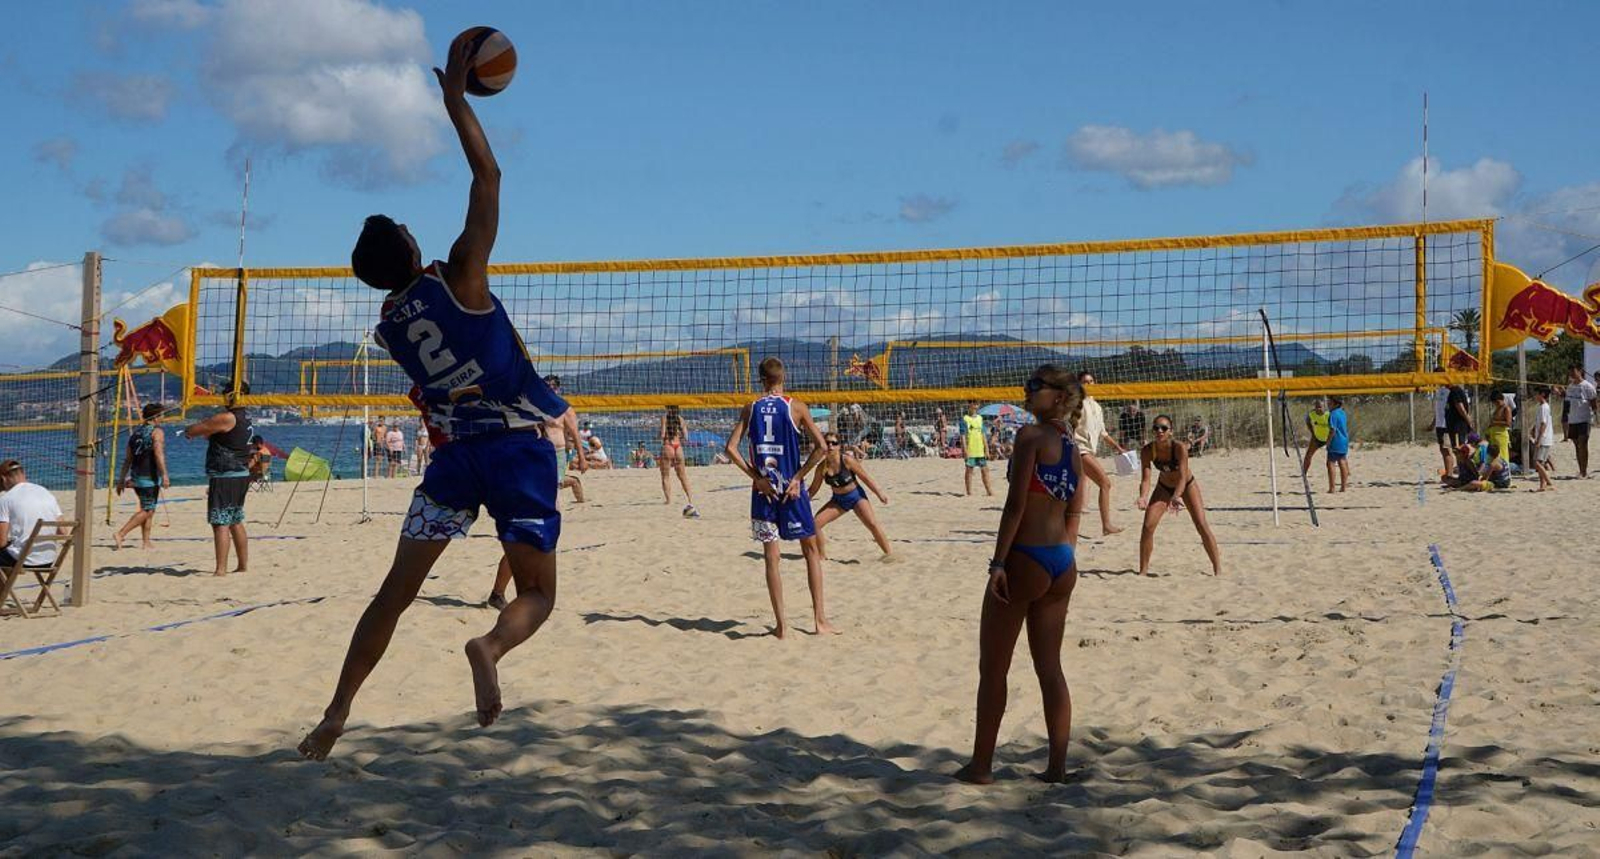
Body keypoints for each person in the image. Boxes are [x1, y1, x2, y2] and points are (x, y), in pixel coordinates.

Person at [300, 35, 574, 761]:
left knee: (393, 592)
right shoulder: (461, 277)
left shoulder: (389, 324)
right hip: (515, 446)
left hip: (452, 462)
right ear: (411, 244)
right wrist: (456, 104)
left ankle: (336, 710)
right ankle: (488, 647)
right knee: (538, 595)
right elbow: (490, 176)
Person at [955, 366, 1086, 785]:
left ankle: (981, 767)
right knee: (1050, 668)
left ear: (1060, 397)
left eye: (1036, 388)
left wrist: (998, 563)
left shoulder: (1030, 437)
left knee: (993, 668)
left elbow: (1014, 507)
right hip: (1062, 561)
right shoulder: (1071, 443)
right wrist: (1067, 546)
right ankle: (1057, 768)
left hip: (1026, 557)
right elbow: (1074, 506)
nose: (1027, 393)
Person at [725, 357, 834, 639]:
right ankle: (820, 622)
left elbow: (730, 449)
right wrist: (798, 477)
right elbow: (822, 448)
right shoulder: (796, 406)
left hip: (764, 492)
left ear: (760, 379)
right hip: (791, 489)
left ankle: (782, 627)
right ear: (783, 377)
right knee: (811, 552)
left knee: (771, 559)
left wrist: (756, 478)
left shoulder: (751, 407)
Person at [489, 374, 585, 611]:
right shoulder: (532, 407)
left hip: (554, 459)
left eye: (553, 386)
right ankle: (506, 592)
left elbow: (573, 433)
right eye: (546, 385)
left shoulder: (562, 408)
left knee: (539, 529)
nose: (549, 389)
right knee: (531, 530)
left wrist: (582, 457)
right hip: (535, 460)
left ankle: (513, 592)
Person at [182, 382, 254, 576]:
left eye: (225, 393)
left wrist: (190, 430)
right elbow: (212, 431)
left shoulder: (227, 417)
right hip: (241, 474)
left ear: (233, 395)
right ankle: (242, 566)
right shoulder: (246, 416)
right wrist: (206, 431)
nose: (223, 396)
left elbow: (199, 429)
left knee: (220, 522)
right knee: (235, 520)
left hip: (226, 475)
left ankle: (220, 570)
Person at [1136, 414, 1222, 577]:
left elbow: (1182, 477)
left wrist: (1176, 496)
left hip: (1187, 485)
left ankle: (1217, 568)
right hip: (1164, 487)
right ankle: (1143, 571)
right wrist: (1143, 496)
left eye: (1163, 428)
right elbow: (1146, 479)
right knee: (1147, 526)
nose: (1159, 431)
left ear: (1171, 431)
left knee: (1201, 524)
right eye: (1156, 428)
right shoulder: (1148, 450)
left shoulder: (1179, 447)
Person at [809, 431, 892, 558]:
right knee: (815, 524)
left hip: (856, 497)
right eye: (827, 443)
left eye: (834, 443)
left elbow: (866, 478)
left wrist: (879, 494)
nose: (830, 446)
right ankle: (821, 556)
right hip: (838, 501)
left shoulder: (847, 460)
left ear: (839, 446)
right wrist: (802, 501)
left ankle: (889, 554)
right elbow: (814, 488)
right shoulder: (821, 467)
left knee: (872, 524)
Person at [1070, 370, 1124, 539]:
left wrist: (1118, 448)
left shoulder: (1097, 406)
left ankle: (1064, 525)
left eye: (1091, 381)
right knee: (1105, 483)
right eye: (1085, 382)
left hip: (1088, 450)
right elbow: (1068, 425)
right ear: (1079, 385)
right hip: (1078, 448)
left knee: (1075, 489)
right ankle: (1106, 525)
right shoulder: (1077, 403)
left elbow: (1103, 432)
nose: (1089, 384)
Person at [114, 402, 170, 550]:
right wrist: (164, 474)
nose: (163, 418)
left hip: (136, 477)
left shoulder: (135, 434)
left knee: (149, 509)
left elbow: (127, 460)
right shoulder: (157, 432)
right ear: (156, 416)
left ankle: (146, 542)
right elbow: (158, 454)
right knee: (147, 510)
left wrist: (120, 480)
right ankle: (121, 533)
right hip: (148, 477)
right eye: (162, 415)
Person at [0, 460, 64, 570]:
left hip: (23, 559)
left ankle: (5, 587)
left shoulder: (6, 499)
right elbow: (62, 532)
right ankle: (5, 587)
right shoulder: (46, 493)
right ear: (23, 474)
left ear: (3, 479)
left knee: (6, 553)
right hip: (48, 560)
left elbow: (2, 542)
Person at [659, 405, 698, 517]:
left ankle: (668, 500)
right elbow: (686, 437)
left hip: (668, 446)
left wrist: (657, 437)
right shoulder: (681, 419)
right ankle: (690, 498)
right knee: (683, 476)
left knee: (665, 476)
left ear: (668, 409)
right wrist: (679, 436)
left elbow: (662, 434)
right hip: (678, 447)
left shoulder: (664, 418)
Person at [1563, 365, 1596, 477]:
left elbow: (1593, 403)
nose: (1571, 374)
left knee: (1583, 443)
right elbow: (1567, 402)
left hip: (1584, 418)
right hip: (1573, 419)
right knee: (1577, 445)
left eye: (1573, 371)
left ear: (1580, 371)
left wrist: (1595, 417)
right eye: (1570, 372)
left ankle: (1584, 471)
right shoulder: (1570, 387)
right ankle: (1581, 470)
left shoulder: (1588, 386)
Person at [961, 402, 993, 496]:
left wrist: (986, 449)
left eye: (977, 403)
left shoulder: (980, 418)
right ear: (969, 405)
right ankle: (969, 492)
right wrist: (965, 450)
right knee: (969, 471)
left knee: (985, 470)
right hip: (971, 449)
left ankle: (989, 491)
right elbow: (962, 436)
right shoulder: (964, 419)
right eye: (973, 403)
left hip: (980, 450)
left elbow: (983, 435)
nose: (975, 405)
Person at [1528, 387, 1555, 491]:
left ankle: (1548, 482)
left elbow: (1543, 424)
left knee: (1536, 463)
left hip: (1544, 439)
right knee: (1541, 463)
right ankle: (1542, 485)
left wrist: (1538, 439)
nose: (1536, 396)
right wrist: (1533, 429)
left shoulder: (1544, 407)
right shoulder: (1542, 407)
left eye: (1537, 394)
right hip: (1545, 438)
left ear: (1542, 394)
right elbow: (1541, 423)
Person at [1430, 379, 1456, 476]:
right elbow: (1438, 410)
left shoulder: (1450, 391)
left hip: (1447, 425)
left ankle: (1450, 474)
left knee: (1447, 449)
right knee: (1443, 449)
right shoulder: (1438, 390)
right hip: (1439, 425)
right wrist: (1433, 423)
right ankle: (1448, 471)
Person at [1325, 396, 1350, 493]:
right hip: (1344, 440)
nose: (1328, 403)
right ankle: (1343, 487)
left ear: (1335, 403)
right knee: (1342, 461)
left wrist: (1328, 442)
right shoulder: (1342, 413)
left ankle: (1332, 488)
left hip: (1336, 441)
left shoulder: (1333, 414)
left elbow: (1332, 430)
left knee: (1330, 463)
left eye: (1329, 402)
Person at [1301, 398, 1331, 476]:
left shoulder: (1329, 415)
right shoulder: (1312, 414)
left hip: (1329, 438)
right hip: (1317, 438)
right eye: (1316, 407)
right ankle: (1304, 473)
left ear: (1324, 406)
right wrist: (1312, 432)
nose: (1318, 409)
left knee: (1337, 456)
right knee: (1308, 455)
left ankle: (1346, 471)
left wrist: (1330, 439)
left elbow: (1334, 428)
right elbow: (1307, 421)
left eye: (1320, 407)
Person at [1487, 391, 1513, 464]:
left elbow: (1508, 423)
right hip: (1494, 435)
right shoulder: (1497, 409)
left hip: (1501, 436)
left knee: (1502, 455)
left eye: (1498, 402)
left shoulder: (1506, 409)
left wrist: (1495, 423)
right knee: (1494, 455)